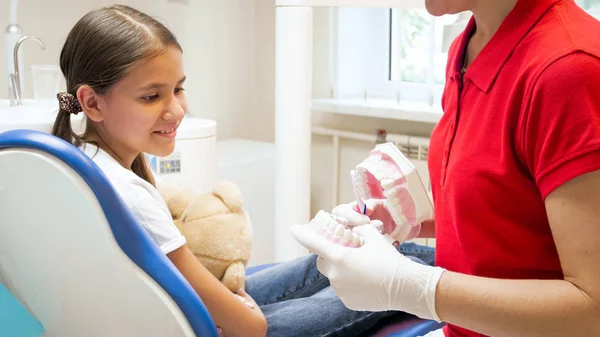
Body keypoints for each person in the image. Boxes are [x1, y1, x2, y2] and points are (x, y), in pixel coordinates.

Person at [51, 5, 438, 337]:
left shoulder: (80, 159)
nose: (177, 109)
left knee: (328, 257)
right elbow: (251, 329)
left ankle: (422, 258)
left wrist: (233, 299)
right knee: (393, 283)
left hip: (179, 306)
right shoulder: (129, 193)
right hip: (210, 326)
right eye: (152, 96)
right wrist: (241, 309)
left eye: (178, 89)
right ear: (92, 102)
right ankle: (432, 269)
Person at [292, 0, 600, 336]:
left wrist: (413, 288)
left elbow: (593, 309)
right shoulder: (469, 47)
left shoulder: (569, 68)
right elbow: (512, 204)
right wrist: (414, 222)